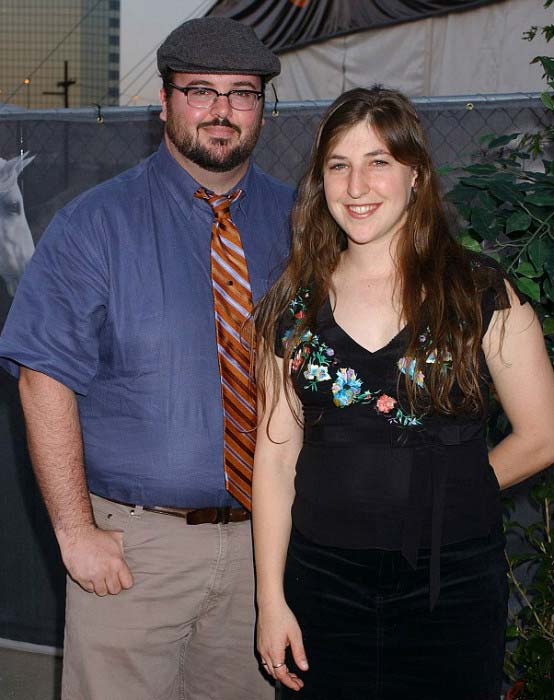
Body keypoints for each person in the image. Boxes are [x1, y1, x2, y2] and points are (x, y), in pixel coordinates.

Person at [0, 16, 293, 700]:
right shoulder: (95, 223)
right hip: (135, 553)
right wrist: (76, 532)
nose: (221, 110)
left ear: (261, 109)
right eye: (200, 90)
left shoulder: (299, 221)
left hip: (268, 547)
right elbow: (43, 378)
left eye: (242, 93)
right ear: (164, 103)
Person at [252, 86, 554, 700]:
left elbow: (543, 435)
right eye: (339, 165)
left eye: (378, 162)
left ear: (415, 175)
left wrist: (443, 492)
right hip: (321, 587)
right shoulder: (293, 305)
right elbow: (276, 458)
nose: (357, 185)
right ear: (320, 182)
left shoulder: (478, 292)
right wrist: (270, 601)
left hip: (453, 589)